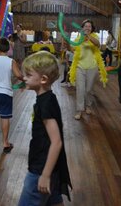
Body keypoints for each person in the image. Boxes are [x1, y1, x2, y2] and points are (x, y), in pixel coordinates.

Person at [18, 51, 72, 206]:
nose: (24, 78)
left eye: (28, 75)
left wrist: (45, 175)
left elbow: (56, 142)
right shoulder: (47, 98)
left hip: (41, 169)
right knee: (54, 201)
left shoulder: (45, 103)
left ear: (43, 79)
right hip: (51, 167)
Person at [0, 37, 23, 153]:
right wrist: (25, 79)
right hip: (5, 92)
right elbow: (18, 75)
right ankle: (5, 143)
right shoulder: (10, 61)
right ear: (8, 49)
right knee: (5, 116)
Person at [69, 19, 108, 120]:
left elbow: (98, 44)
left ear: (92, 29)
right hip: (79, 67)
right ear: (82, 28)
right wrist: (67, 43)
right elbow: (73, 49)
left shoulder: (94, 37)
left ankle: (88, 106)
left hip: (92, 67)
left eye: (89, 26)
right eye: (85, 26)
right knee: (80, 89)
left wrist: (88, 36)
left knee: (89, 89)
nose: (87, 28)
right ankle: (79, 110)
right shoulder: (78, 39)